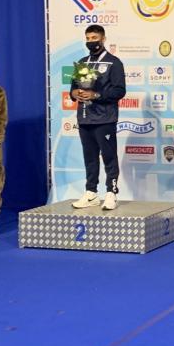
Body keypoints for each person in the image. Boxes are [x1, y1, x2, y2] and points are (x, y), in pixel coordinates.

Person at [69, 25, 126, 210]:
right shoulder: (82, 63)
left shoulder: (114, 62)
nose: (91, 41)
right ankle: (91, 193)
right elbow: (73, 87)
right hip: (85, 117)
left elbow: (120, 91)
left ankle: (111, 193)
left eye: (94, 38)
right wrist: (75, 93)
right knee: (90, 157)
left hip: (105, 118)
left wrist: (96, 95)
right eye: (88, 38)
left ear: (103, 39)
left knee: (108, 157)